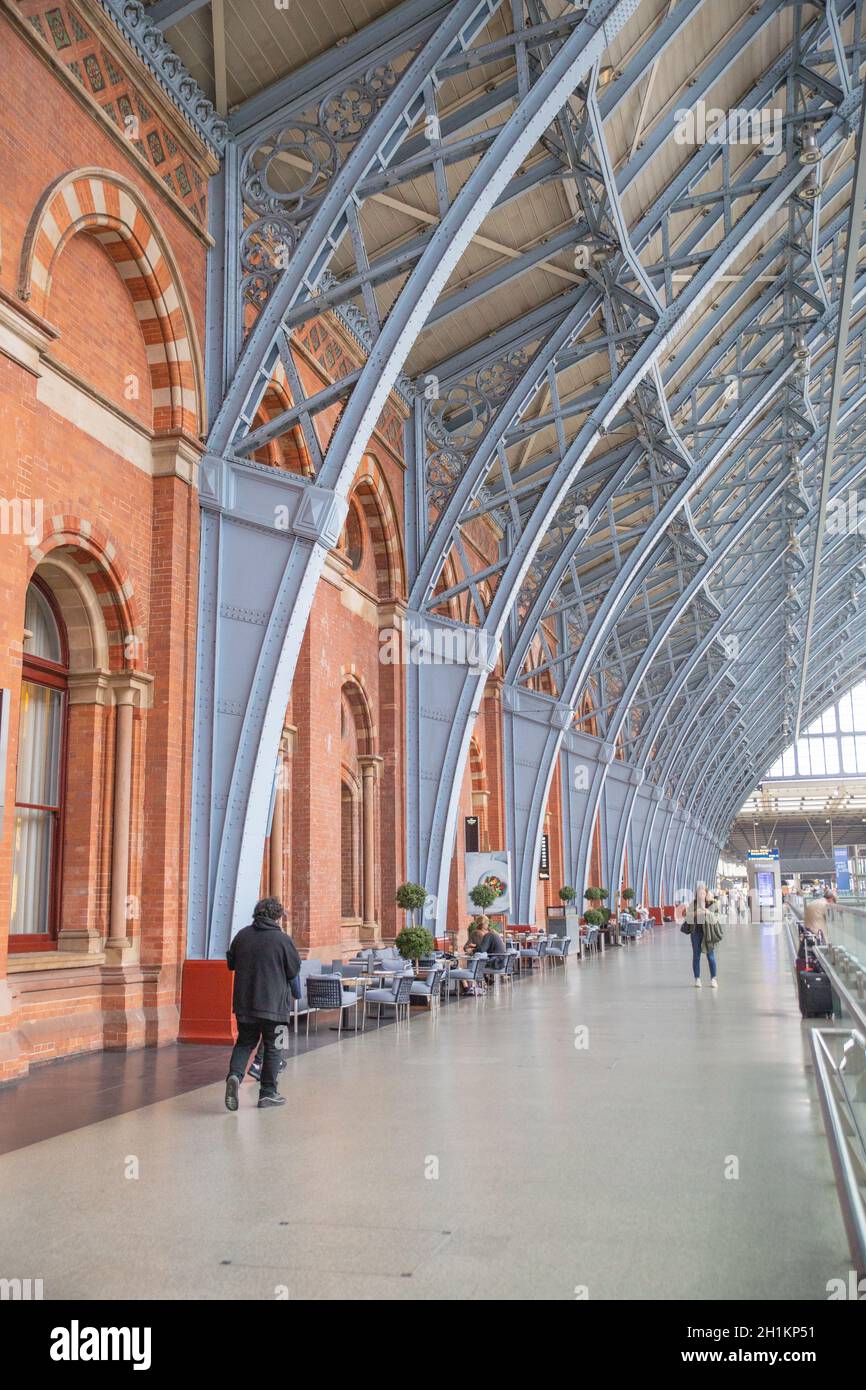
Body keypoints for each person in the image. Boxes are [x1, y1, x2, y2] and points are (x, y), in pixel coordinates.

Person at [224, 897, 301, 1111]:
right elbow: (294, 970)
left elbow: (230, 964)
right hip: (275, 1007)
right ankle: (268, 1093)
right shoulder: (282, 940)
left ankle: (234, 1077)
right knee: (275, 1047)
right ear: (277, 917)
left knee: (244, 1043)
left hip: (244, 1005)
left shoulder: (242, 936)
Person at [686, 889, 722, 989]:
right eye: (699, 893)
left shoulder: (712, 904)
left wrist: (707, 912)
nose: (701, 895)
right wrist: (695, 913)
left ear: (706, 894)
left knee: (710, 956)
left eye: (703, 893)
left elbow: (716, 919)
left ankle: (713, 979)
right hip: (695, 933)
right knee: (696, 956)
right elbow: (687, 918)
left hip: (708, 933)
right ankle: (697, 979)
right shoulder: (693, 904)